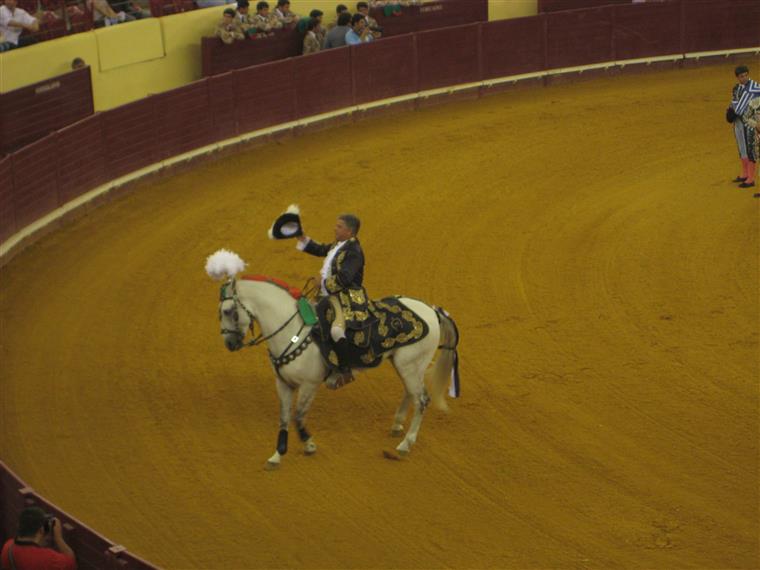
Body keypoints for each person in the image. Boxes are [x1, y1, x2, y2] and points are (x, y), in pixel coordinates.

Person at [296, 214, 369, 383]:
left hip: (345, 297)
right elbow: (321, 249)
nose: (334, 229)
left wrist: (321, 283)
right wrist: (302, 238)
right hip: (327, 294)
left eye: (339, 227)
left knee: (336, 331)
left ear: (349, 231)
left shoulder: (354, 252)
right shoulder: (340, 245)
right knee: (302, 318)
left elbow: (345, 278)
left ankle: (345, 369)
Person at [1, 507, 77, 570]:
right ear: (41, 530)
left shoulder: (8, 546)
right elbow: (71, 564)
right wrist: (59, 538)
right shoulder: (49, 559)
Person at [727, 65, 760, 188]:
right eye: (742, 76)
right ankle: (745, 173)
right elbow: (734, 102)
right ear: (737, 77)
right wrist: (730, 110)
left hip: (751, 121)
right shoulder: (736, 88)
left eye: (746, 75)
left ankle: (751, 178)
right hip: (739, 121)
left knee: (750, 147)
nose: (744, 78)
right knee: (742, 146)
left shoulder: (756, 87)